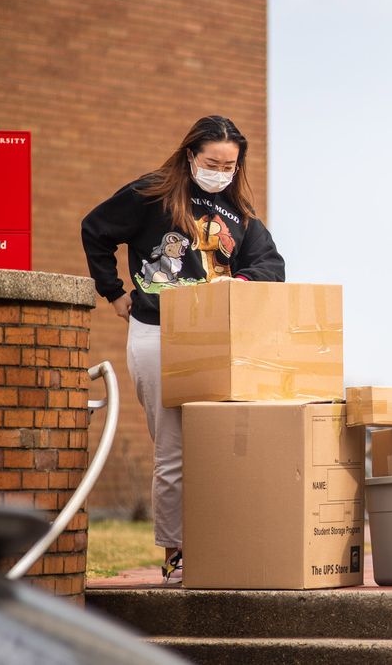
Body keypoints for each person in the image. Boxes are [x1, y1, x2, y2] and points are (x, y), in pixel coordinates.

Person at [81, 115, 285, 582]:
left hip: (214, 341)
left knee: (215, 445)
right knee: (171, 448)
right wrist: (113, 291)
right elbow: (95, 230)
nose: (220, 171)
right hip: (156, 332)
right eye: (212, 161)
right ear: (191, 154)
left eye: (230, 164)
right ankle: (177, 553)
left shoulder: (240, 214)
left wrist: (240, 281)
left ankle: (220, 545)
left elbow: (272, 265)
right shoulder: (151, 195)